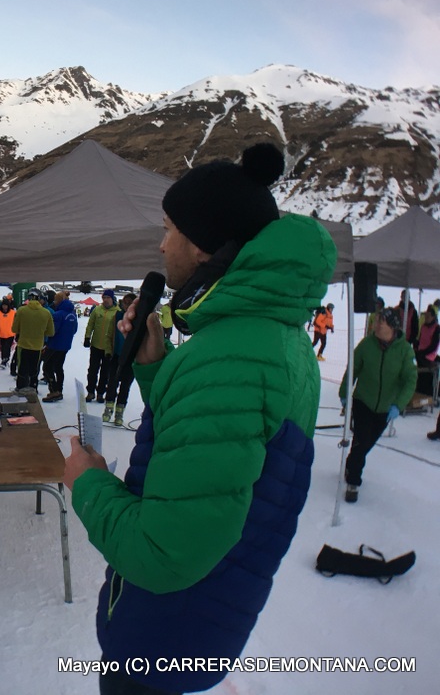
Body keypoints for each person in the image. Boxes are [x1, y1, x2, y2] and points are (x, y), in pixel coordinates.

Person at [63, 143, 335, 694]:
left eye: (169, 230)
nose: (161, 245)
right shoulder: (271, 338)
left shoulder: (230, 359)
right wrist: (156, 366)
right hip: (201, 620)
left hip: (163, 635)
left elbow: (166, 554)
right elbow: (214, 449)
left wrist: (87, 484)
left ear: (205, 244)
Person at [339, 307, 417, 502]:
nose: (376, 324)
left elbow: (410, 380)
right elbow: (353, 368)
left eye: (381, 321)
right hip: (363, 401)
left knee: (365, 444)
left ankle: (351, 462)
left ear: (392, 327)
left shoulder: (405, 351)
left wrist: (398, 404)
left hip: (385, 408)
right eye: (377, 320)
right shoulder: (367, 344)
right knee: (361, 440)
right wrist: (344, 393)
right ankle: (353, 483)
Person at [102, 293, 137, 425]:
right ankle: (108, 410)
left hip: (131, 359)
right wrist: (108, 351)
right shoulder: (117, 316)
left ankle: (119, 413)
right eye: (125, 302)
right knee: (112, 384)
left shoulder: (138, 318)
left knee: (125, 386)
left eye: (129, 302)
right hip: (116, 356)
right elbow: (109, 334)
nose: (126, 305)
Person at [11, 289, 55, 392]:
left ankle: (20, 388)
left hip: (23, 345)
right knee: (34, 369)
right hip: (37, 346)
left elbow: (14, 329)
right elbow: (51, 332)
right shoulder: (46, 312)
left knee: (22, 368)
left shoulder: (21, 310)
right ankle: (33, 387)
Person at [41, 291, 78, 403]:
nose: (54, 302)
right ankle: (59, 390)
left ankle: (54, 390)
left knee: (47, 367)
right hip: (65, 345)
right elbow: (75, 330)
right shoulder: (72, 314)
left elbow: (52, 331)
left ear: (59, 301)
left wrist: (45, 334)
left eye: (56, 300)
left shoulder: (58, 314)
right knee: (58, 367)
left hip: (54, 345)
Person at [83, 290, 119, 403]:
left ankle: (100, 393)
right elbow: (90, 324)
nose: (105, 300)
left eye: (108, 298)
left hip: (109, 348)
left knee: (105, 372)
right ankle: (90, 391)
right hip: (96, 345)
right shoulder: (97, 310)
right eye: (104, 297)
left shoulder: (117, 312)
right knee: (93, 370)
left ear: (112, 299)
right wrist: (87, 337)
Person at [413, 303, 438, 402]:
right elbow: (420, 340)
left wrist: (422, 353)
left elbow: (434, 346)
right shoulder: (423, 326)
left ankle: (427, 395)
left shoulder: (436, 328)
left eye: (428, 316)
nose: (426, 318)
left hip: (430, 355)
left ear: (433, 317)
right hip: (421, 353)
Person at [0, 300, 16, 369]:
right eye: (3, 305)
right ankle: (4, 359)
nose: (4, 307)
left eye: (6, 305)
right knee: (3, 348)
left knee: (7, 347)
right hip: (2, 334)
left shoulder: (13, 313)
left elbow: (16, 322)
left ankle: (5, 360)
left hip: (10, 333)